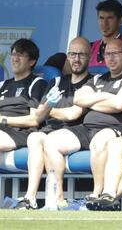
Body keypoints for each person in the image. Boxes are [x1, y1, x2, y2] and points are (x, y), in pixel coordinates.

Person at [43, 38, 122, 207]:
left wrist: (94, 101)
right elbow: (78, 99)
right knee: (51, 141)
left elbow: (121, 104)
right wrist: (108, 98)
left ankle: (97, 193)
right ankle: (57, 199)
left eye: (115, 54)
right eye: (107, 54)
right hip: (87, 128)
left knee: (100, 139)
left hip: (119, 128)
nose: (111, 58)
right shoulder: (98, 78)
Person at [15, 37, 92, 210]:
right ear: (67, 56)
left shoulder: (92, 82)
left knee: (50, 140)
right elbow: (39, 116)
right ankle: (30, 197)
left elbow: (73, 114)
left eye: (81, 54)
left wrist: (48, 108)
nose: (76, 59)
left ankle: (59, 198)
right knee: (34, 137)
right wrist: (48, 107)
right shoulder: (57, 81)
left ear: (89, 56)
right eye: (72, 54)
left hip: (75, 132)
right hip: (52, 129)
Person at [0, 38, 47, 152]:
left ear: (32, 61)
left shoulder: (37, 83)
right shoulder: (2, 85)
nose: (15, 58)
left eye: (20, 55)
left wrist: (4, 120)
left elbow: (34, 120)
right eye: (13, 54)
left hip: (20, 132)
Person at [89, 0, 122, 67]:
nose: (104, 24)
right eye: (101, 18)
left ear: (120, 20)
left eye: (109, 18)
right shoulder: (90, 47)